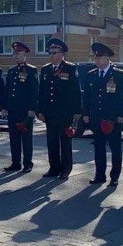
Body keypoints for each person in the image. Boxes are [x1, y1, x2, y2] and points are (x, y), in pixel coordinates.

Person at [81, 42, 123, 185]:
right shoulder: (91, 75)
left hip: (113, 118)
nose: (97, 60)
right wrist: (86, 113)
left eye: (100, 57)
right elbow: (87, 97)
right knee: (99, 148)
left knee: (115, 148)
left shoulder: (118, 74)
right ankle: (99, 175)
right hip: (96, 117)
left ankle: (114, 176)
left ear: (108, 58)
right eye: (96, 58)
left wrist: (122, 114)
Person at [37, 38, 82, 179]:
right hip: (50, 113)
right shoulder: (45, 69)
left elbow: (76, 91)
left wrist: (77, 111)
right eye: (50, 52)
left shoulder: (70, 68)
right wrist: (40, 110)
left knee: (65, 142)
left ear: (62, 54)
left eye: (55, 52)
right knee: (52, 142)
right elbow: (42, 92)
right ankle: (54, 168)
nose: (52, 55)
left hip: (65, 113)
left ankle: (65, 170)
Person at [2, 41, 39, 172]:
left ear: (25, 54)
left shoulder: (31, 70)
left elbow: (34, 91)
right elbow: (8, 90)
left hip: (25, 111)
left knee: (26, 138)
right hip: (13, 110)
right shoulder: (11, 71)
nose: (15, 55)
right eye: (14, 53)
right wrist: (5, 107)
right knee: (14, 138)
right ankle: (15, 162)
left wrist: (32, 108)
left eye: (18, 53)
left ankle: (28, 163)